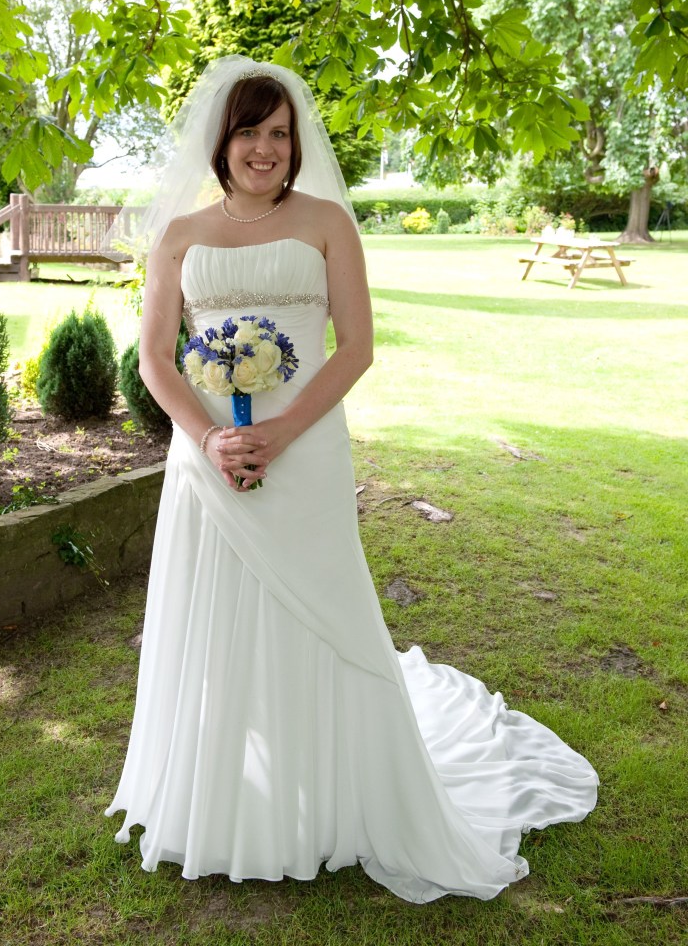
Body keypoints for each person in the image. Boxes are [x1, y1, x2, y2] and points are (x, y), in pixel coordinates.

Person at [104, 56, 598, 904]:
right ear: (221, 143)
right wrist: (212, 440)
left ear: (296, 145)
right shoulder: (181, 237)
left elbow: (357, 347)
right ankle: (225, 800)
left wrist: (284, 433)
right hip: (208, 459)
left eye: (280, 134)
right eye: (250, 132)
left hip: (307, 451)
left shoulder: (329, 221)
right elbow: (155, 356)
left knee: (323, 609)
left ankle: (330, 800)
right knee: (219, 616)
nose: (265, 149)